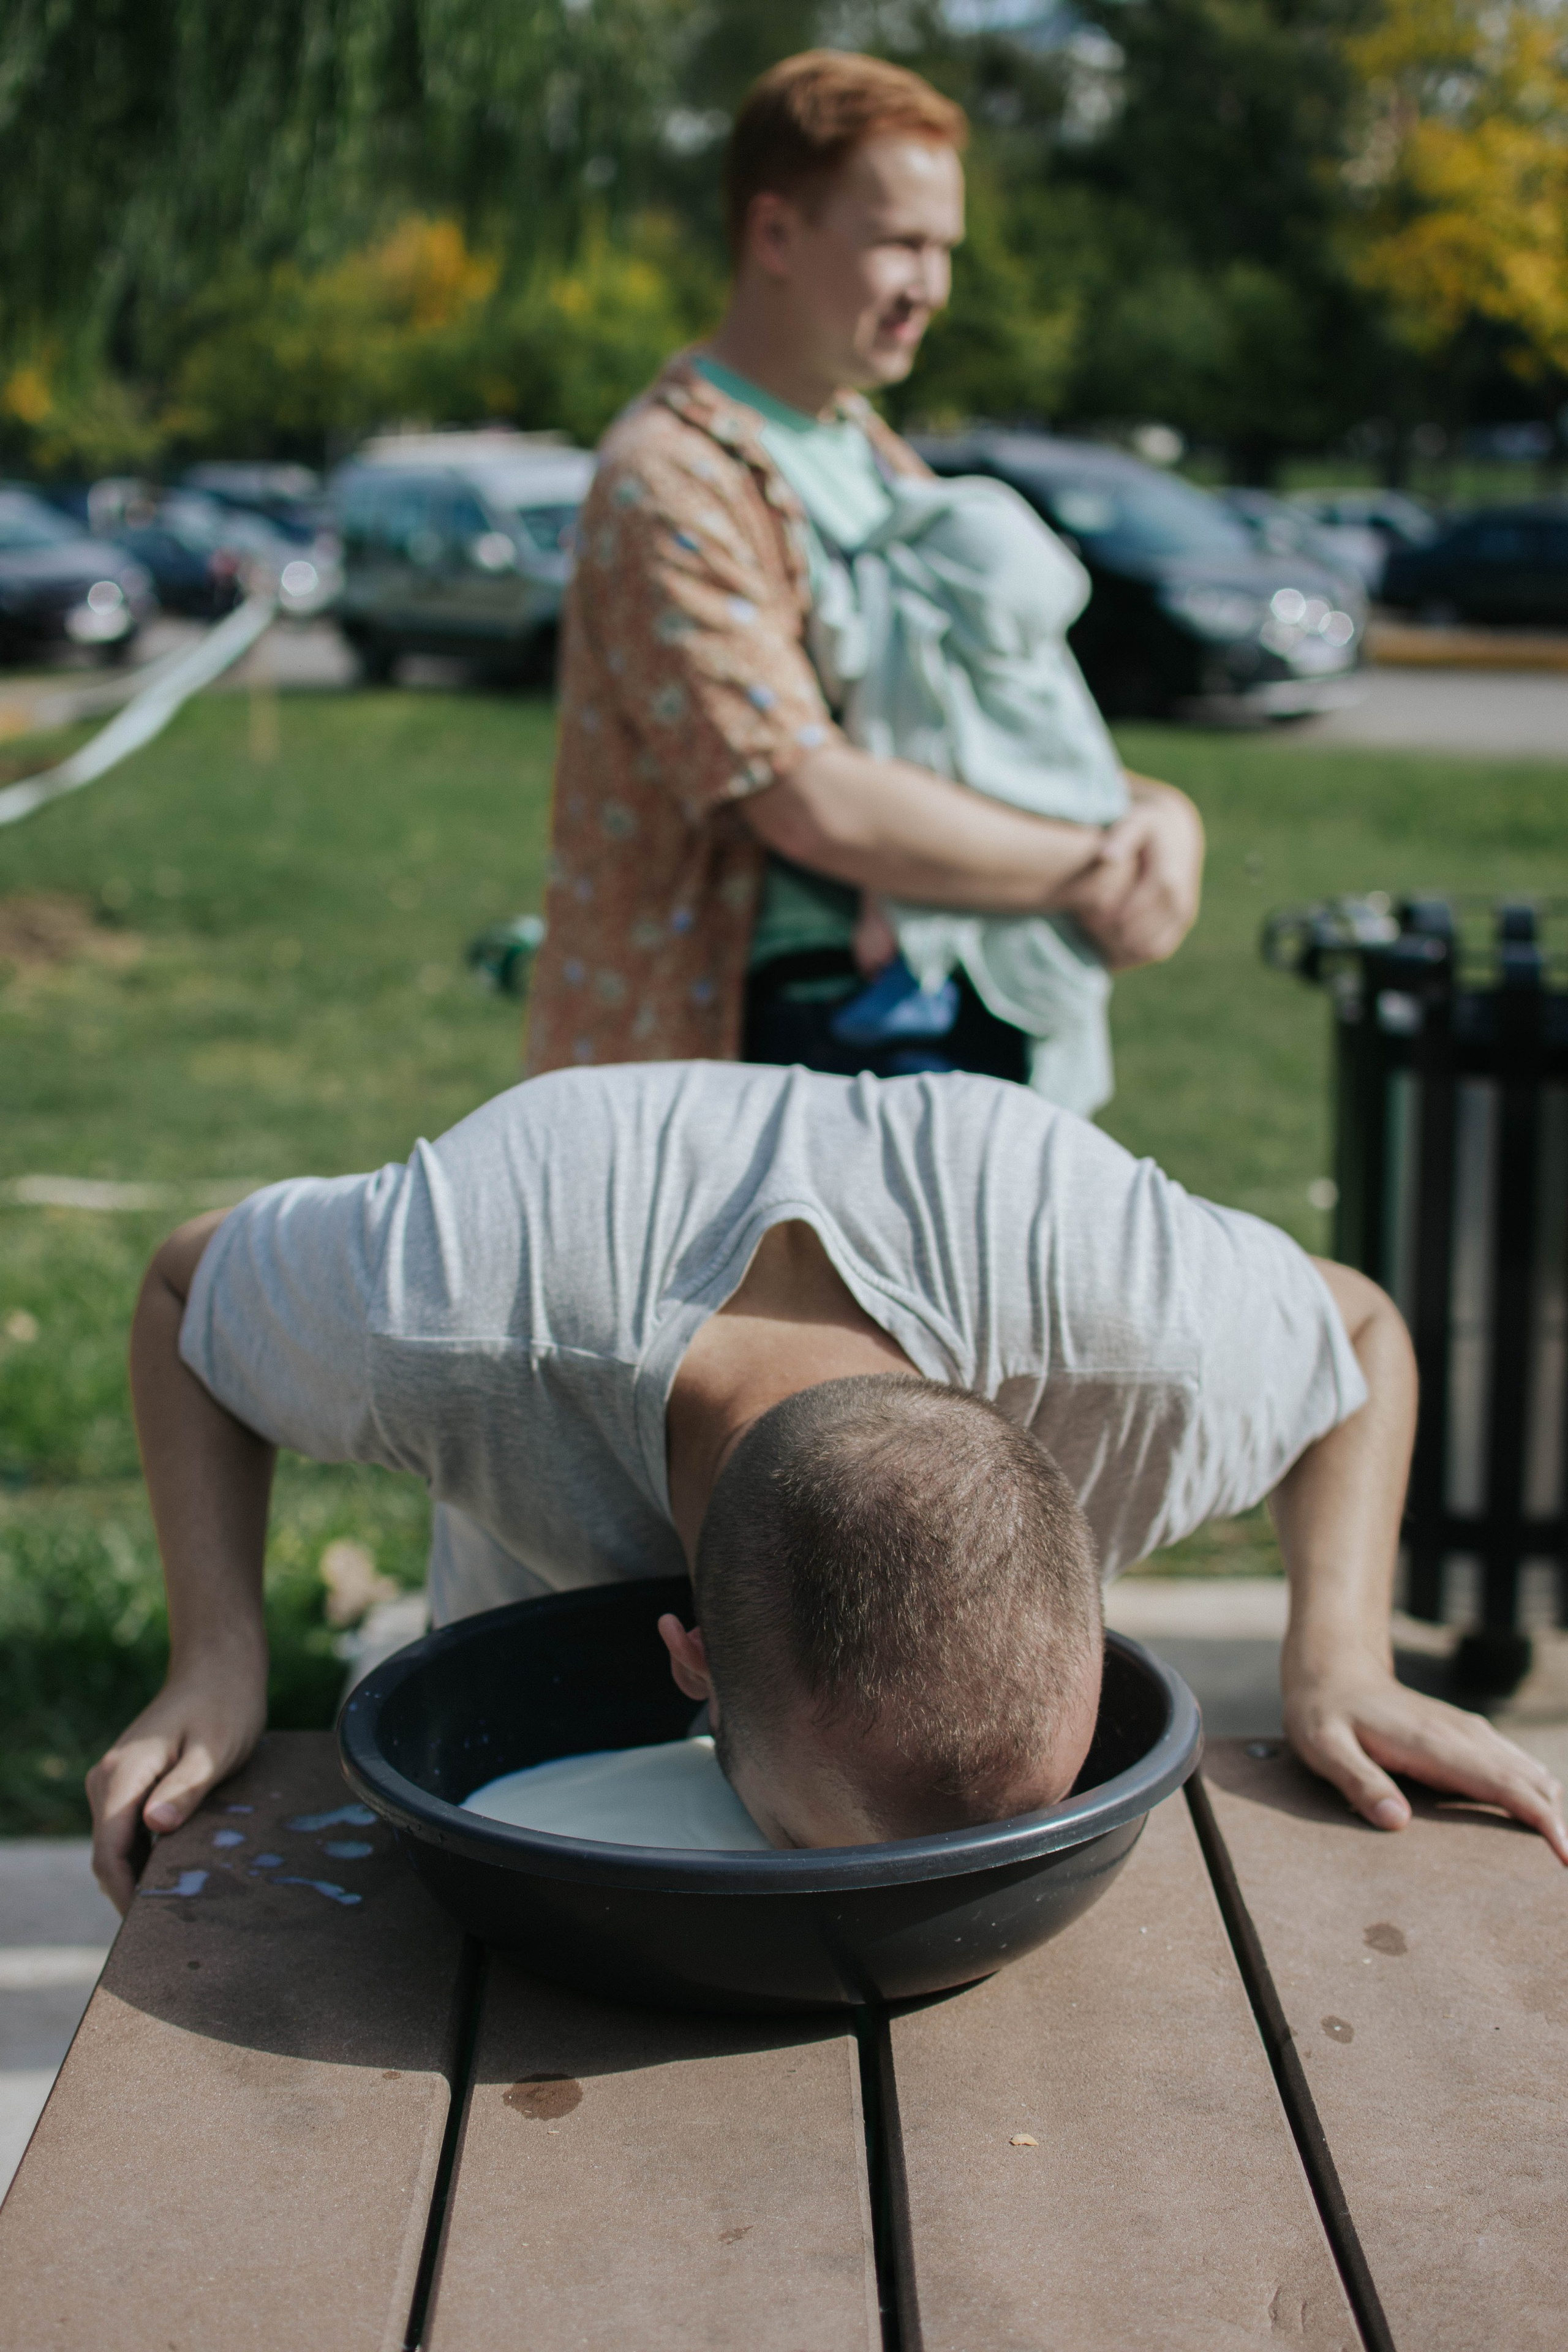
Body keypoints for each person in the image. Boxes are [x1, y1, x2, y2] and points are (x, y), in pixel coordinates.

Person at [89, 1061, 1565, 1907]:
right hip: (527, 1747)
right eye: (810, 1847)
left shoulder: (1143, 1349)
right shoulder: (447, 1306)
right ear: (689, 1664)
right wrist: (213, 1662)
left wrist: (1339, 1659)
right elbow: (179, 1297)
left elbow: (1359, 1329)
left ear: (1086, 1537)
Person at [522, 50, 1204, 1090]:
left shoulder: (872, 455)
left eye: (945, 250)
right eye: (899, 243)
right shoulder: (669, 479)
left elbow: (970, 742)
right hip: (734, 1085)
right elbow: (810, 801)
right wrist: (1093, 862)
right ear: (776, 234)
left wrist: (1157, 815)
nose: (929, 288)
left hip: (914, 1030)